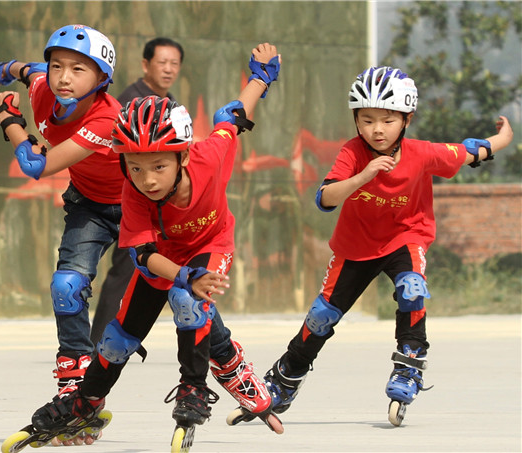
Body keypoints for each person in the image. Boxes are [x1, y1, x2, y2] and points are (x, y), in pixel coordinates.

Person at [27, 43, 283, 446]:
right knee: (115, 342)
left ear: (182, 155)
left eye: (159, 166)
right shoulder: (133, 194)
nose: (147, 179)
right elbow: (145, 256)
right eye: (134, 166)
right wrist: (184, 275)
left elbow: (232, 117)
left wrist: (261, 77)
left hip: (212, 242)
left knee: (187, 302)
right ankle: (86, 403)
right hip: (166, 258)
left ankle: (195, 388)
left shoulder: (210, 155)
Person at [260, 66, 513, 427]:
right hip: (355, 246)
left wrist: (504, 137)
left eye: (387, 119)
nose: (376, 129)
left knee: (412, 288)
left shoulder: (422, 153)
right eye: (366, 120)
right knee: (322, 316)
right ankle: (287, 376)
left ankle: (409, 362)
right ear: (356, 120)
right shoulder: (352, 153)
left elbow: (472, 151)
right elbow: (325, 199)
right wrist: (364, 175)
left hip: (404, 238)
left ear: (406, 119)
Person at [0, 24, 123, 445]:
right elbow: (30, 70)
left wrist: (8, 119)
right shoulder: (44, 87)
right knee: (66, 285)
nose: (65, 77)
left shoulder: (106, 116)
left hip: (140, 206)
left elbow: (37, 167)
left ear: (102, 79)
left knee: (182, 290)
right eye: (59, 66)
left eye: (79, 70)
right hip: (89, 204)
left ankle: (230, 369)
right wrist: (6, 69)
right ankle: (75, 383)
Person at [90, 37, 184, 347]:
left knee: (145, 266)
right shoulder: (131, 102)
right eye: (162, 63)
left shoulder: (169, 105)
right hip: (127, 199)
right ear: (146, 65)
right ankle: (100, 342)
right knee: (127, 266)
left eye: (174, 64)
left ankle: (122, 334)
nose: (168, 70)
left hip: (154, 202)